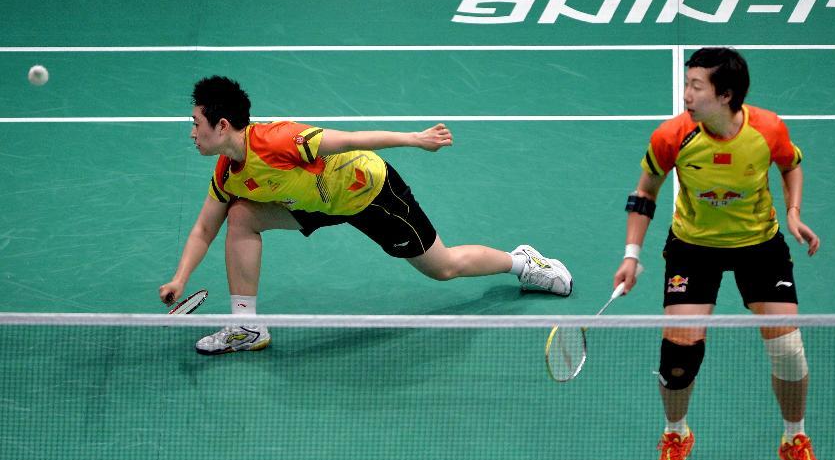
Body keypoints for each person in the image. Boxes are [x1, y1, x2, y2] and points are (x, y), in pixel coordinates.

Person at [160, 76, 572, 355]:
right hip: (314, 203)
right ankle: (247, 326)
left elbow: (351, 139)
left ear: (223, 125)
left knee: (443, 268)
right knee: (240, 215)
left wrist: (416, 139)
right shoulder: (227, 174)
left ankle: (523, 262)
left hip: (368, 192)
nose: (192, 132)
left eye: (196, 123)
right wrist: (180, 278)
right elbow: (203, 228)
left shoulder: (279, 140)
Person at [613, 48, 824, 460]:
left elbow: (792, 164)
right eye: (687, 83)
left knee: (788, 350)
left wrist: (795, 212)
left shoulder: (768, 129)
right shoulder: (672, 136)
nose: (686, 93)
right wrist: (632, 255)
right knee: (678, 356)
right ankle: (675, 434)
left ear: (725, 95)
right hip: (694, 247)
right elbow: (644, 193)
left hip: (759, 245)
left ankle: (794, 437)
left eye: (696, 86)